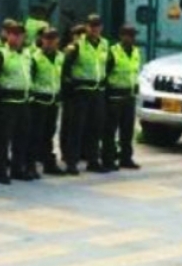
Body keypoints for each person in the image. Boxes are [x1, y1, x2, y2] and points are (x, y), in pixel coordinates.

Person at [62, 14, 109, 174]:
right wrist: (70, 89)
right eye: (92, 25)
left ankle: (93, 160)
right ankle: (71, 162)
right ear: (87, 27)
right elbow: (65, 69)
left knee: (96, 128)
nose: (95, 29)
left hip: (97, 91)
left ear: (101, 27)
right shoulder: (77, 46)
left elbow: (105, 66)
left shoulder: (104, 44)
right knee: (77, 128)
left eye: (97, 25)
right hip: (81, 92)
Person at [0, 19, 33, 182]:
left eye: (19, 35)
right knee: (3, 139)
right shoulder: (1, 54)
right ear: (7, 35)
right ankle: (1, 171)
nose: (16, 38)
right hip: (7, 103)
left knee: (21, 138)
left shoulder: (26, 54)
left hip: (23, 102)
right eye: (13, 34)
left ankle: (17, 168)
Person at [102, 23, 143, 171]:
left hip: (129, 96)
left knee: (127, 131)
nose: (131, 38)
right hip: (114, 96)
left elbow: (134, 72)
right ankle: (108, 159)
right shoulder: (113, 52)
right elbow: (104, 74)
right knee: (110, 131)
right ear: (121, 36)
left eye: (133, 35)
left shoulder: (136, 52)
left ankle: (126, 158)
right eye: (128, 35)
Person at [28, 27, 65, 177]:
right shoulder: (34, 58)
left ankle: (49, 163)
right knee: (35, 135)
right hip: (38, 101)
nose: (50, 42)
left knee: (49, 134)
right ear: (42, 40)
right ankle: (30, 166)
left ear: (57, 40)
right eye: (47, 39)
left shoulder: (61, 57)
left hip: (53, 100)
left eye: (53, 39)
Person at [58, 24, 88, 175]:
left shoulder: (85, 48)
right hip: (71, 92)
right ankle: (69, 157)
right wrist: (68, 88)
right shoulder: (71, 49)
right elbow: (64, 71)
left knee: (78, 126)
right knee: (70, 126)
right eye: (78, 34)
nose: (80, 37)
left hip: (82, 92)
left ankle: (80, 154)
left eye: (82, 34)